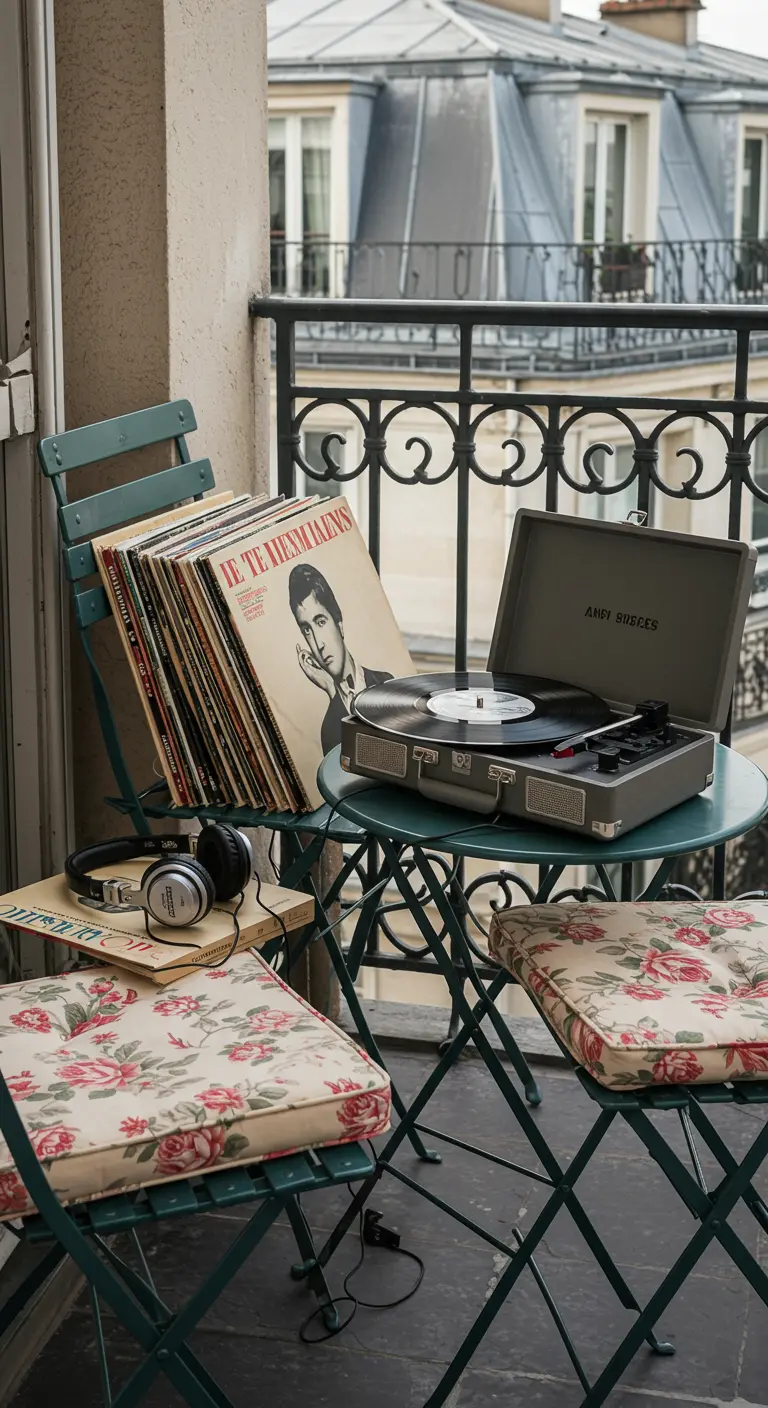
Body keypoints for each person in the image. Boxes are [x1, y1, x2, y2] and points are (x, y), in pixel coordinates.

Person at [288, 562, 392, 754]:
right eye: (307, 631)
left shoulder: (387, 682)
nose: (318, 644)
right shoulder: (329, 729)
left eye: (320, 622)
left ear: (339, 624)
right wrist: (332, 692)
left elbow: (388, 756)